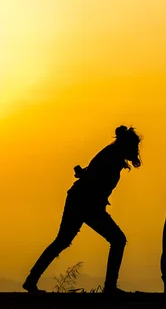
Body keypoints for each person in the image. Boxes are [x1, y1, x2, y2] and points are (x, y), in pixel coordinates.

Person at [23, 126, 142, 294]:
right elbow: (94, 180)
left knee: (62, 241)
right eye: (135, 146)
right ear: (127, 145)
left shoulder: (111, 155)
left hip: (81, 201)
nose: (136, 150)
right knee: (118, 240)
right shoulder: (111, 157)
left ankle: (31, 280)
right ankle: (110, 287)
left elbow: (92, 176)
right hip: (86, 203)